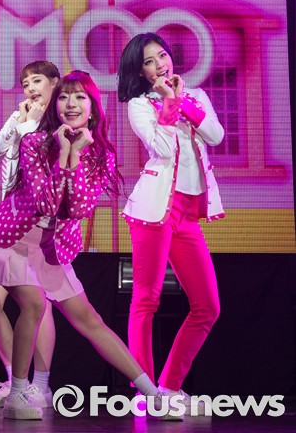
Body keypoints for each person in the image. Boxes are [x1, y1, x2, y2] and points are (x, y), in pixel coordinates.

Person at [0, 72, 166, 420]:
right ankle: (18, 393)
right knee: (33, 302)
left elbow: (79, 208)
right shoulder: (35, 142)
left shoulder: (101, 155)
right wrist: (66, 154)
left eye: (80, 97)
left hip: (50, 247)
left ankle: (152, 393)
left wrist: (75, 155)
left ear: (93, 108)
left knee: (90, 320)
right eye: (64, 97)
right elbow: (46, 203)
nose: (71, 104)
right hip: (12, 235)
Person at [117, 32, 223, 409]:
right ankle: (146, 394)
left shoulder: (197, 95)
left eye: (162, 55)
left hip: (188, 213)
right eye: (149, 61)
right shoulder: (139, 105)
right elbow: (162, 148)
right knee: (146, 300)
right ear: (140, 72)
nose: (160, 64)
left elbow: (215, 135)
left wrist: (182, 101)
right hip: (154, 210)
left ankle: (170, 387)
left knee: (207, 306)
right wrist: (169, 102)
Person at [0, 61, 60, 408]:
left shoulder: (57, 125)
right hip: (0, 217)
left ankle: (40, 385)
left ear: (54, 83)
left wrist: (30, 128)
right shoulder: (20, 118)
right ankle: (18, 379)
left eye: (37, 81)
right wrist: (17, 124)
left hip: (33, 223)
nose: (30, 88)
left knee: (39, 304)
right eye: (26, 83)